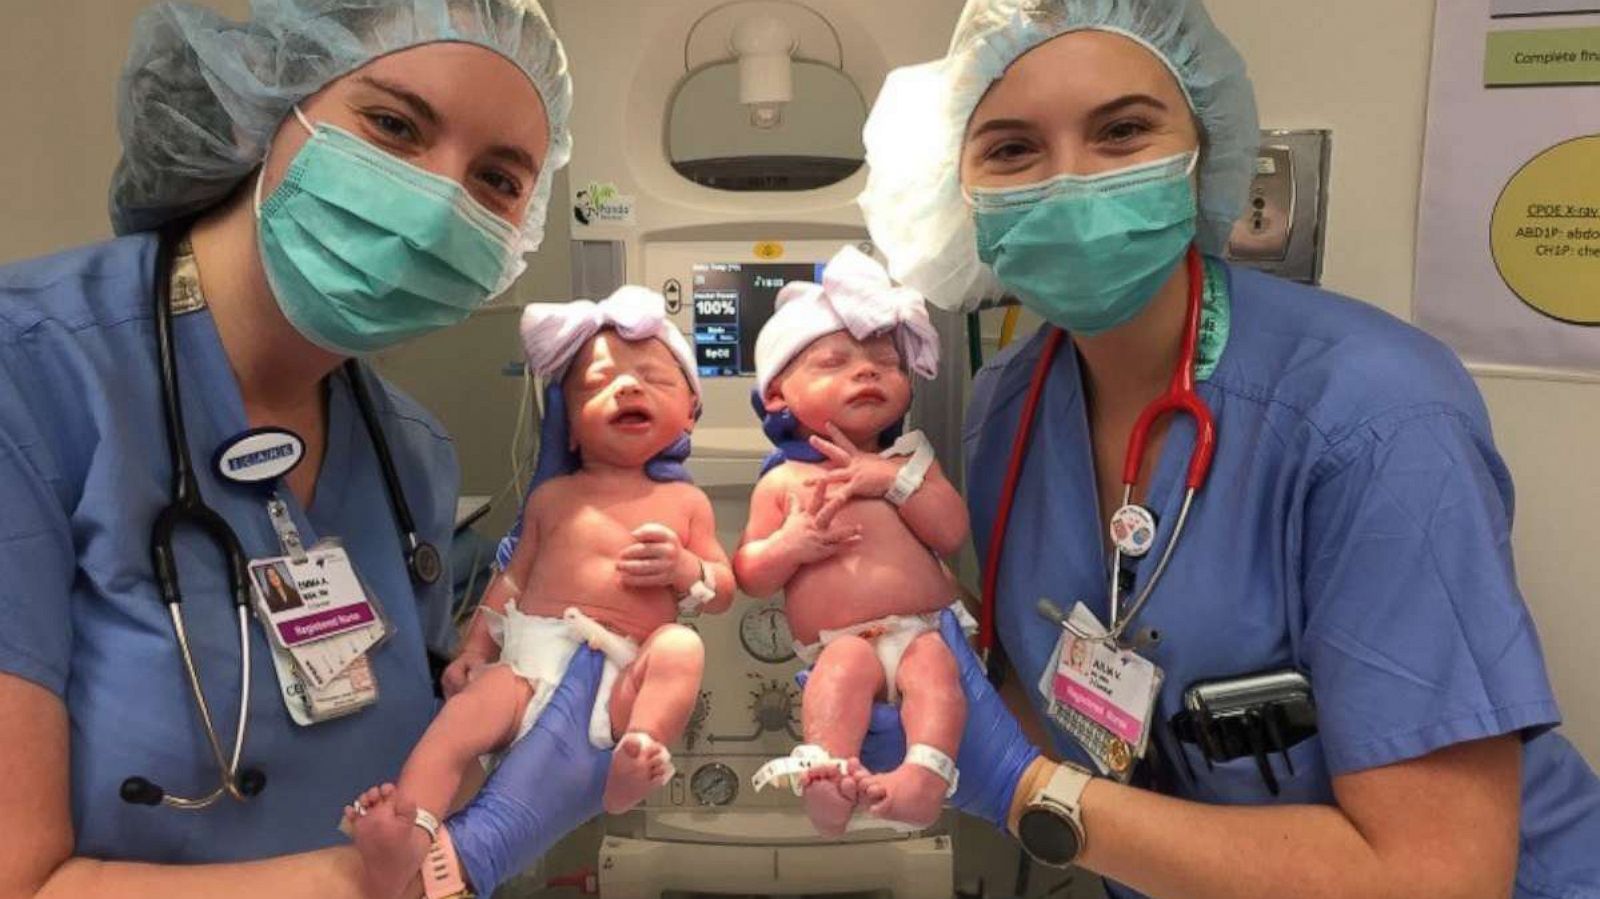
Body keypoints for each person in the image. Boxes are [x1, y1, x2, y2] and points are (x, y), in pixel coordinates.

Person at [853, 1, 1600, 897]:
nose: (1068, 183)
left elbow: (1436, 875)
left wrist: (1022, 787)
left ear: (1204, 150)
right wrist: (928, 656)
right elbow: (1072, 710)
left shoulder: (1375, 415)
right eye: (1012, 149)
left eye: (1122, 131)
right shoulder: (1008, 406)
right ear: (955, 193)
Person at [0, 2, 618, 897]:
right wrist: (392, 880)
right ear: (262, 109)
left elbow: (394, 765)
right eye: (394, 125)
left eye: (498, 179)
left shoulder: (408, 452)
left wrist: (520, 757)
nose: (440, 200)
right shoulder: (32, 373)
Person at [345, 286, 735, 899]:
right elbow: (513, 581)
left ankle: (637, 754)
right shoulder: (553, 500)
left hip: (623, 672)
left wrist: (686, 569)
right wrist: (475, 648)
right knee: (456, 726)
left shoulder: (686, 503)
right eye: (598, 383)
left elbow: (721, 591)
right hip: (528, 662)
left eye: (654, 380)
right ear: (570, 430)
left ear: (690, 412)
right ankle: (409, 831)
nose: (627, 389)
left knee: (682, 647)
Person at [736, 247, 968, 835]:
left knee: (936, 672)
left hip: (922, 631)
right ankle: (829, 780)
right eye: (833, 362)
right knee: (839, 674)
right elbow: (751, 574)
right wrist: (791, 544)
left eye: (885, 362)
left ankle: (924, 777)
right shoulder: (785, 482)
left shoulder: (909, 459)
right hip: (839, 641)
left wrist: (890, 480)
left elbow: (951, 531)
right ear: (778, 395)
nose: (866, 372)